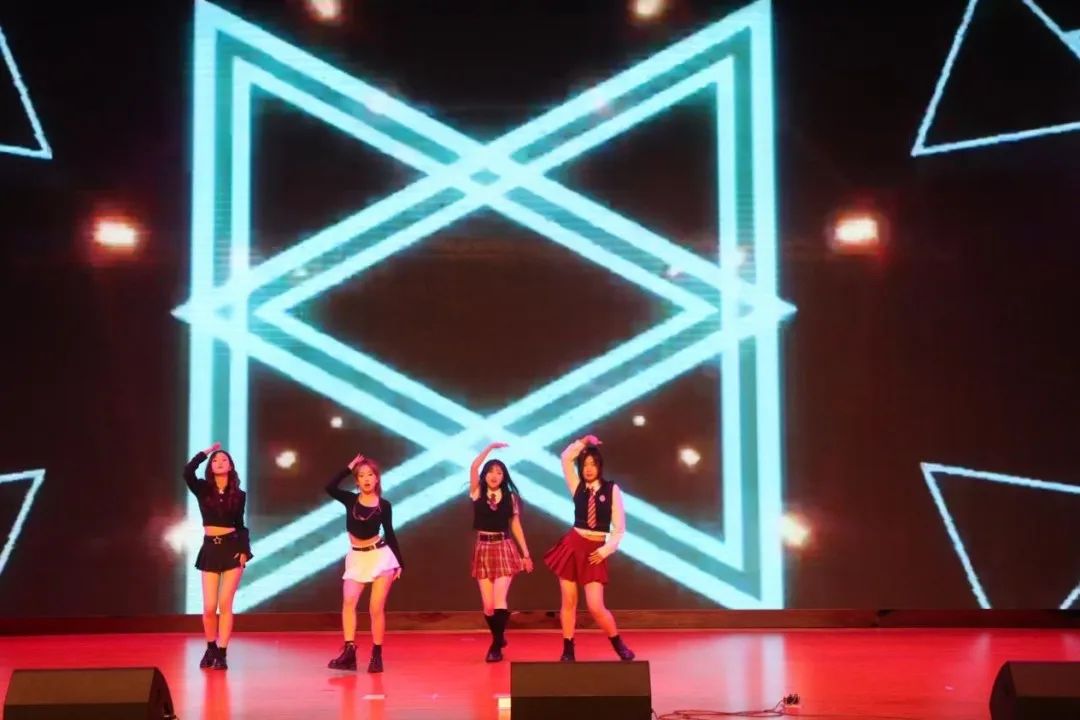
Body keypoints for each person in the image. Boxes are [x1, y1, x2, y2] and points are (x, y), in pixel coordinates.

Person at [542, 435, 634, 662]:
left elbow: (619, 528)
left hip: (595, 551)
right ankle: (568, 648)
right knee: (569, 602)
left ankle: (618, 643)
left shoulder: (611, 489)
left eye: (593, 464)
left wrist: (605, 550)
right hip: (572, 546)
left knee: (595, 606)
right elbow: (566, 458)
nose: (589, 469)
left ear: (600, 466)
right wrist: (583, 442)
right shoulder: (578, 487)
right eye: (585, 465)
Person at [324, 453, 402, 673]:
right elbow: (330, 488)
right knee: (349, 602)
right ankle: (349, 653)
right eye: (361, 475)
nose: (367, 479)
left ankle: (377, 656)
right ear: (357, 481)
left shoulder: (384, 505)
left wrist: (399, 563)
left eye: (370, 475)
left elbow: (390, 533)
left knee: (375, 607)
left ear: (377, 479)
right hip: (357, 557)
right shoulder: (350, 500)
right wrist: (349, 467)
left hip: (380, 556)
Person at [184, 441, 252, 671]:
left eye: (224, 460)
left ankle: (222, 652)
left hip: (232, 548)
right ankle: (211, 647)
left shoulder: (239, 495)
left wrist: (244, 550)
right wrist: (206, 452)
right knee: (209, 606)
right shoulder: (203, 489)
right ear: (210, 466)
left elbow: (240, 525)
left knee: (225, 603)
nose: (219, 462)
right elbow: (187, 471)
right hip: (210, 549)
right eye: (215, 460)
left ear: (231, 466)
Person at [468, 442, 533, 662]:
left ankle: (496, 646)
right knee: (488, 606)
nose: (494, 476)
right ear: (485, 475)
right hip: (483, 549)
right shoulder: (477, 492)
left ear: (504, 476)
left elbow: (516, 525)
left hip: (504, 547)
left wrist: (525, 554)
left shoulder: (510, 498)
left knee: (499, 601)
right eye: (491, 471)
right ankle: (499, 636)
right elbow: (473, 467)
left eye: (499, 472)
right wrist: (490, 448)